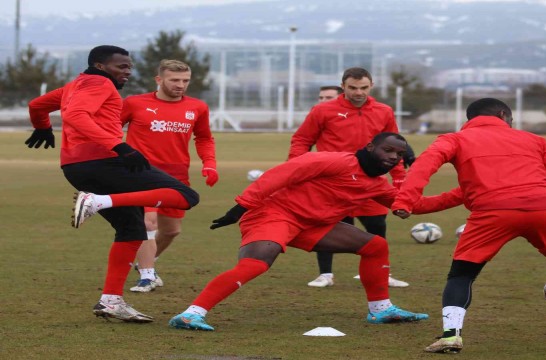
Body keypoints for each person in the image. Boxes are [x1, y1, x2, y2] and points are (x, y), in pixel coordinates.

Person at [391, 98, 546, 354]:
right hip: (544, 206)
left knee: (462, 275)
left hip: (492, 212)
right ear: (503, 114)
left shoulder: (454, 139)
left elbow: (423, 167)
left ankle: (451, 336)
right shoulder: (534, 140)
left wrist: (405, 201)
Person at [169, 133, 435, 331]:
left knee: (375, 246)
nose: (393, 157)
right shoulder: (336, 161)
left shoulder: (378, 185)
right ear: (370, 147)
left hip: (311, 225)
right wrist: (240, 207)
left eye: (399, 155)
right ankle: (191, 314)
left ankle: (380, 310)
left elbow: (413, 205)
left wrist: (463, 196)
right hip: (274, 215)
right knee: (255, 265)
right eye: (388, 150)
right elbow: (282, 174)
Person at [26, 45, 200, 323]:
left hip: (75, 167)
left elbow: (37, 105)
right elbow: (75, 116)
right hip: (102, 163)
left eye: (129, 66)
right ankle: (98, 201)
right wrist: (118, 146)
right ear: (100, 65)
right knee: (186, 195)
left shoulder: (75, 85)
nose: (128, 71)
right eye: (121, 66)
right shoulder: (99, 83)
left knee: (132, 229)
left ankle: (110, 301)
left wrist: (42, 125)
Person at [290, 68, 410, 289]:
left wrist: (400, 179)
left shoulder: (384, 111)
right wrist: (296, 169)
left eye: (363, 87)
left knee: (377, 226)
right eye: (353, 87)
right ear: (343, 86)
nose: (358, 92)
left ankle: (382, 274)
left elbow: (396, 147)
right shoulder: (322, 111)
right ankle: (325, 274)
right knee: (328, 228)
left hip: (371, 182)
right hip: (333, 183)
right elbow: (301, 140)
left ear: (371, 85)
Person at [121, 59, 218, 293]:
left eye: (185, 80)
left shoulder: (197, 107)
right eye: (174, 80)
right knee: (147, 222)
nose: (180, 85)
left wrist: (210, 164)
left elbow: (204, 138)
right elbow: (110, 129)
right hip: (141, 173)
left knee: (172, 230)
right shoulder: (134, 103)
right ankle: (146, 277)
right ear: (159, 80)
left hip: (176, 175)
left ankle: (147, 264)